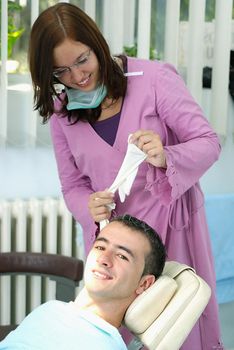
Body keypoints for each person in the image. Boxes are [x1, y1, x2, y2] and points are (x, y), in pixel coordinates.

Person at [28, 3, 223, 349]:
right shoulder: (61, 116)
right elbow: (72, 185)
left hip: (172, 234)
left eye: (82, 60)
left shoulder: (156, 80)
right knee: (110, 338)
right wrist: (88, 206)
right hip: (114, 246)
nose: (77, 77)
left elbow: (208, 143)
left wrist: (167, 156)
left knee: (178, 333)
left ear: (98, 44)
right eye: (61, 72)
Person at [0, 215, 166, 350]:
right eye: (100, 247)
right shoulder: (50, 309)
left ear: (144, 284)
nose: (103, 259)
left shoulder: (105, 345)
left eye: (122, 256)